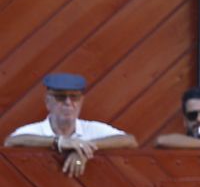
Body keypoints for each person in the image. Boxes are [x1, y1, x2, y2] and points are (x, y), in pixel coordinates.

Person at [4, 73, 137, 179]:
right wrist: (59, 142)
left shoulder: (92, 128)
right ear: (48, 102)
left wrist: (83, 148)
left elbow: (130, 141)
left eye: (74, 97)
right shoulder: (34, 130)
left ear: (81, 101)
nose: (68, 103)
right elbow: (11, 142)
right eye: (61, 97)